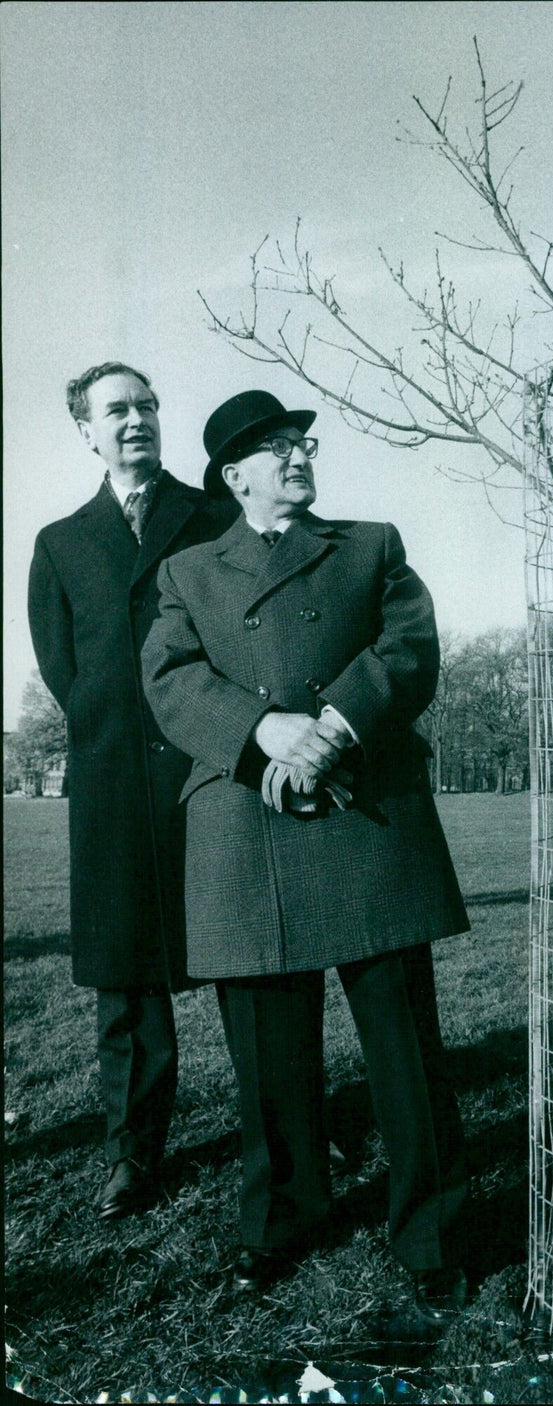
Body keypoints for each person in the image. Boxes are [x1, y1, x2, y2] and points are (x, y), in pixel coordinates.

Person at [141, 389, 471, 1327]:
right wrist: (263, 733)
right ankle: (282, 1219)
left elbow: (408, 649)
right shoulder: (187, 572)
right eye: (275, 449)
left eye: (303, 443)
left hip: (370, 817)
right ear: (233, 475)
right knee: (269, 1058)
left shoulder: (371, 544)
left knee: (406, 1054)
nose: (297, 457)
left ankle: (431, 1237)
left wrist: (330, 728)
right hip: (245, 827)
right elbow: (168, 681)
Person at [28, 362, 237, 1220]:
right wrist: (107, 725)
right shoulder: (61, 541)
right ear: (86, 429)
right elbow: (61, 665)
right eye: (116, 410)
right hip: (115, 791)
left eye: (147, 404)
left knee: (248, 967)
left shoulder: (213, 515)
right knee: (129, 985)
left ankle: (285, 1131)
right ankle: (133, 1158)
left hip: (209, 773)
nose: (136, 420)